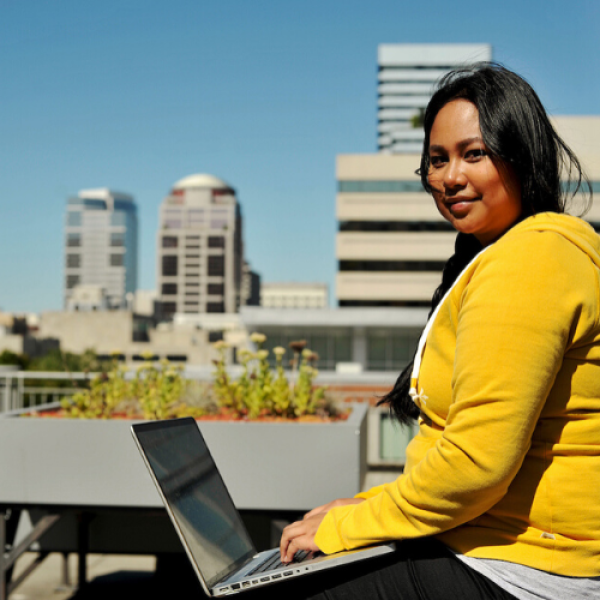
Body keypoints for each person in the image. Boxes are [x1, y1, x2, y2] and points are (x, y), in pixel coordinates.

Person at [269, 63, 600, 600]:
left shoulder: (531, 259)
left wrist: (349, 527)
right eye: (437, 160)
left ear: (521, 154)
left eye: (474, 154)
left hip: (530, 565)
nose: (450, 177)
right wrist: (369, 507)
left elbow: (475, 466)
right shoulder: (503, 254)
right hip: (488, 542)